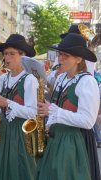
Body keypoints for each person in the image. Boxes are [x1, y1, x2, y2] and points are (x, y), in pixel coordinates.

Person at [36, 33, 100, 180]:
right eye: (60, 54)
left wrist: (53, 110)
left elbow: (88, 121)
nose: (60, 59)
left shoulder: (87, 82)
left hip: (75, 143)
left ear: (78, 59)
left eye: (66, 55)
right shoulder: (61, 78)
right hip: (56, 139)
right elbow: (57, 106)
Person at [0, 34, 38, 180]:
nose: (7, 58)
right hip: (1, 131)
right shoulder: (2, 78)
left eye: (12, 54)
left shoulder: (30, 79)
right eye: (5, 54)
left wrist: (7, 103)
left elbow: (33, 113)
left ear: (23, 56)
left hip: (19, 135)